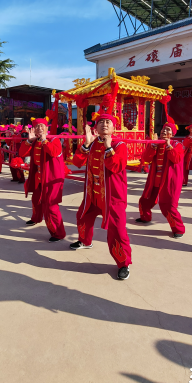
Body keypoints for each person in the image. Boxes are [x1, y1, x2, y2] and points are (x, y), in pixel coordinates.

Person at [70, 86, 132, 280]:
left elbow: (116, 166)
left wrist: (107, 147)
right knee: (83, 216)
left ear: (114, 128)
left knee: (117, 230)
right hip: (93, 193)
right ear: (95, 128)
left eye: (108, 122)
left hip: (113, 197)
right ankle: (85, 241)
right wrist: (86, 144)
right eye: (101, 122)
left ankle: (123, 264)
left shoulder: (120, 145)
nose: (104, 125)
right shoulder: (92, 144)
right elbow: (77, 162)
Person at [136, 118, 185, 238]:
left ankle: (178, 229)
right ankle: (145, 218)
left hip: (169, 180)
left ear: (172, 134)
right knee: (145, 200)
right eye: (163, 129)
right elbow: (146, 159)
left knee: (168, 206)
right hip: (154, 179)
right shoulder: (156, 143)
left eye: (167, 130)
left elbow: (176, 159)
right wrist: (152, 146)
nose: (164, 131)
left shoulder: (177, 145)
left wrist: (168, 146)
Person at [19, 117, 66, 241]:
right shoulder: (34, 141)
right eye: (36, 126)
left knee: (51, 205)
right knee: (36, 199)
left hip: (51, 177)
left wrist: (44, 140)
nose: (39, 128)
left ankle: (58, 233)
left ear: (47, 127)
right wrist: (29, 141)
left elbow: (54, 152)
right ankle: (36, 218)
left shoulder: (54, 140)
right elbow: (22, 153)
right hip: (39, 176)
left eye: (42, 126)